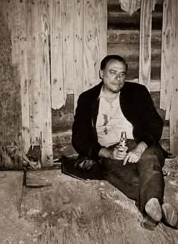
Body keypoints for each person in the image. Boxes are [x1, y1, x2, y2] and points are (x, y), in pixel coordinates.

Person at [64, 54, 178, 230]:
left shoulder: (137, 92)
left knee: (150, 159)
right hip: (112, 152)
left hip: (141, 145)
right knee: (129, 177)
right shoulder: (87, 99)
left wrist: (140, 148)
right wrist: (107, 153)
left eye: (122, 74)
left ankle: (152, 210)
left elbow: (154, 123)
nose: (118, 79)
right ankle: (155, 207)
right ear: (101, 73)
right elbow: (79, 138)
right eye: (113, 72)